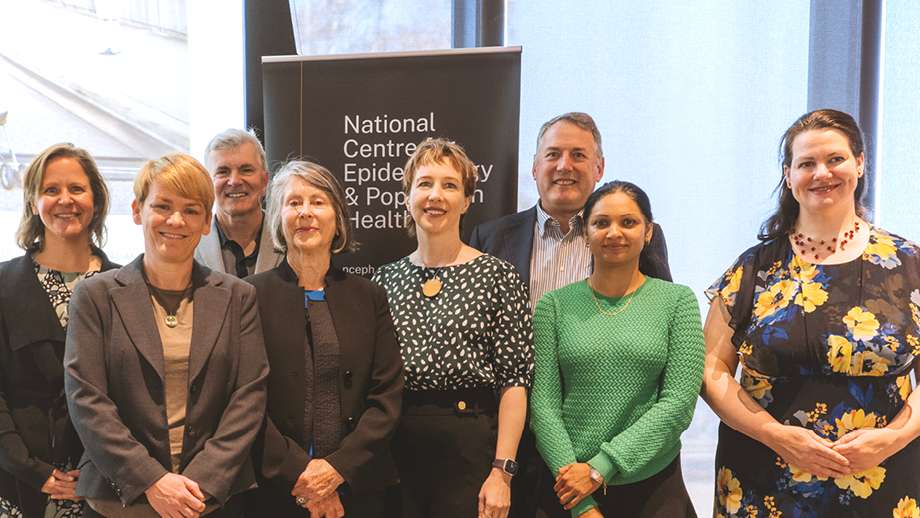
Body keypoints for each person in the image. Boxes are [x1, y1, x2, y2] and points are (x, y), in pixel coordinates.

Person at [703, 109, 920, 516]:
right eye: (806, 163)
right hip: (763, 480)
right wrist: (774, 435)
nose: (822, 173)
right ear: (789, 176)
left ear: (859, 163)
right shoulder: (755, 268)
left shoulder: (909, 264)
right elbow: (710, 370)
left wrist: (892, 438)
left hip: (883, 477)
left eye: (835, 159)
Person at [468, 112, 672, 517]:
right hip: (513, 437)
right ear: (534, 167)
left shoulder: (627, 236)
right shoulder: (490, 237)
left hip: (607, 441)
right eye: (553, 154)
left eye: (578, 155)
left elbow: (656, 325)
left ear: (599, 167)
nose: (564, 166)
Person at [64, 153, 269, 517]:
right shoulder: (95, 295)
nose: (176, 221)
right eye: (162, 206)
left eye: (192, 210)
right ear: (137, 210)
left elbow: (248, 397)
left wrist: (196, 486)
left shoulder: (239, 296)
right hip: (120, 501)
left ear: (207, 222)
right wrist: (152, 481)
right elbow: (86, 398)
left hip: (210, 501)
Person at [372, 138, 534, 518]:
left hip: (472, 450)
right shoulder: (382, 281)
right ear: (408, 197)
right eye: (424, 183)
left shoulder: (498, 276)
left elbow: (515, 383)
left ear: (466, 201)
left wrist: (502, 472)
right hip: (396, 449)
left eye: (449, 185)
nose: (436, 196)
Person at [531, 181, 703, 518]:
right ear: (585, 233)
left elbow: (679, 404)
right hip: (569, 489)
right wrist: (580, 501)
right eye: (601, 222)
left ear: (648, 232)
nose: (614, 233)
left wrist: (600, 468)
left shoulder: (678, 301)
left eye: (628, 222)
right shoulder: (553, 306)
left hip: (654, 490)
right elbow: (543, 408)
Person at [245, 160, 404, 517]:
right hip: (274, 491)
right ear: (279, 219)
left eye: (318, 202)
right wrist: (301, 477)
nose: (305, 213)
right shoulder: (249, 296)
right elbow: (245, 400)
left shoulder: (369, 296)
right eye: (293, 202)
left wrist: (336, 471)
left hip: (358, 490)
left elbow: (387, 397)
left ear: (337, 219)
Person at [1, 143, 117, 518]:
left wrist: (100, 472)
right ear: (34, 202)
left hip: (106, 489)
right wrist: (32, 469)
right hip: (18, 487)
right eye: (51, 190)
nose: (65, 200)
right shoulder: (2, 286)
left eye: (77, 189)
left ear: (96, 200)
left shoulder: (125, 285)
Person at [195, 128, 283, 277]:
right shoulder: (189, 244)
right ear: (208, 184)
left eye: (246, 170)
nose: (234, 181)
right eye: (223, 171)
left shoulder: (290, 239)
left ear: (264, 181)